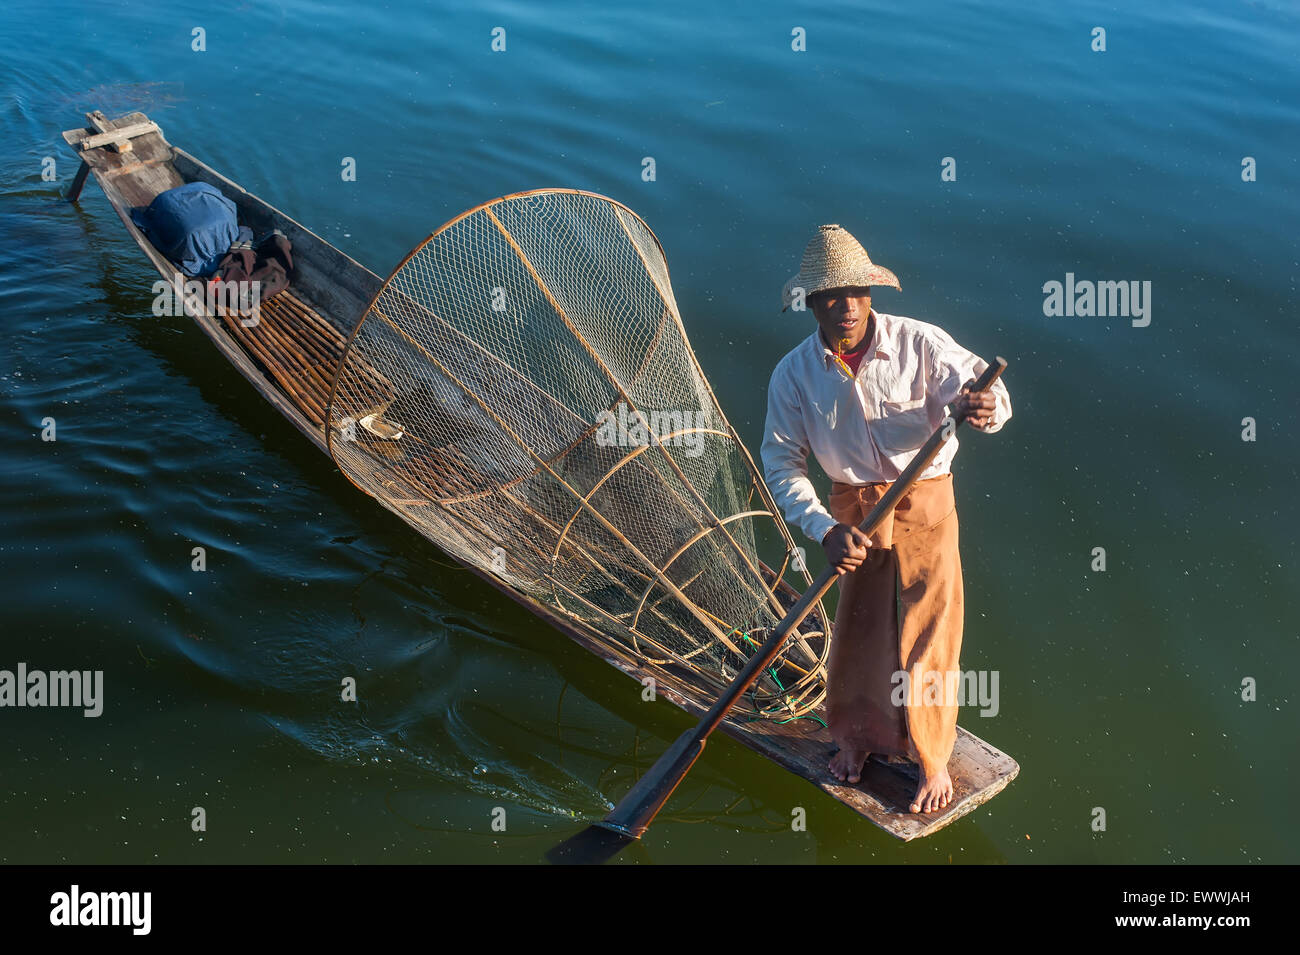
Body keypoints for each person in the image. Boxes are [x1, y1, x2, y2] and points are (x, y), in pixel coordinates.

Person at [760, 225, 1011, 814]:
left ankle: (930, 754)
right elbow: (781, 461)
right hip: (852, 510)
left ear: (871, 294)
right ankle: (856, 736)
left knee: (930, 628)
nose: (846, 306)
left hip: (925, 497)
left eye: (856, 292)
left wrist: (981, 406)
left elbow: (986, 396)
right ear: (812, 303)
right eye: (830, 296)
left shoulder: (921, 344)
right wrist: (823, 527)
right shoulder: (794, 374)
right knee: (860, 627)